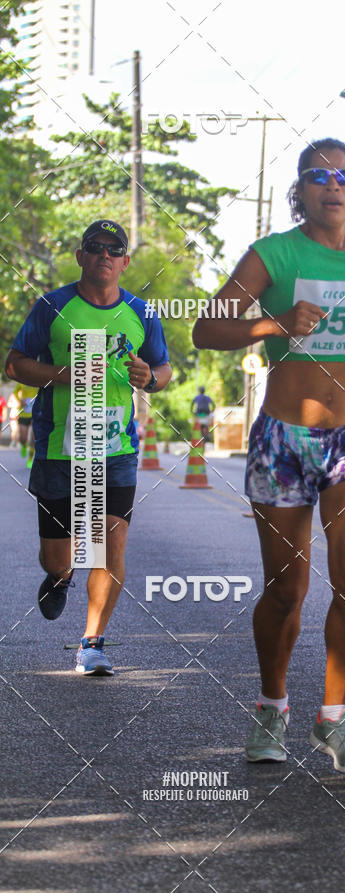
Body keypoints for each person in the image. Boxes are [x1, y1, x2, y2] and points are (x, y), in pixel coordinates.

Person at [193, 138, 345, 773]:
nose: (332, 185)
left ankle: (336, 721)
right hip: (283, 439)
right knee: (286, 589)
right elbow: (207, 327)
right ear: (302, 189)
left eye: (344, 175)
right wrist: (275, 324)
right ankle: (272, 706)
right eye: (318, 176)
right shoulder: (274, 254)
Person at [5, 219, 172, 675]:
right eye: (94, 247)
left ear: (124, 261)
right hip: (60, 449)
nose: (104, 254)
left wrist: (150, 380)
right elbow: (15, 365)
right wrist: (62, 374)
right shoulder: (52, 307)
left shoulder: (142, 312)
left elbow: (162, 369)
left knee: (110, 543)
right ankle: (60, 577)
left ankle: (92, 643)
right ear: (80, 256)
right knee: (58, 557)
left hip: (115, 449)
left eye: (113, 248)